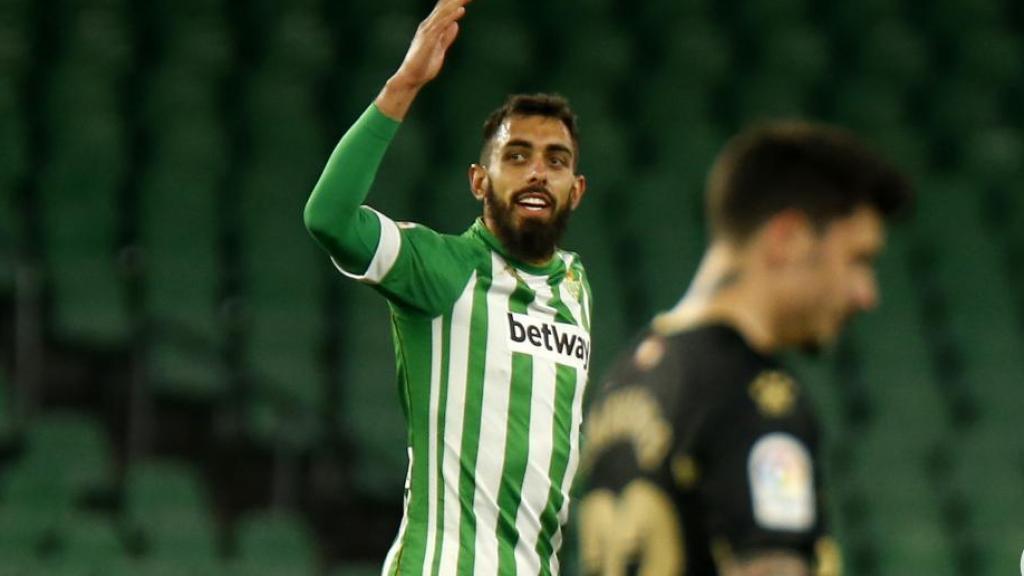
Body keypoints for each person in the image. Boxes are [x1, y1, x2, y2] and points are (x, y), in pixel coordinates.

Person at [303, 1, 592, 574]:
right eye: (517, 156)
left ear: (576, 190)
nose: (538, 171)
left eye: (555, 161)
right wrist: (404, 84)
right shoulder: (443, 268)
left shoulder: (576, 285)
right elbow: (329, 217)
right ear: (479, 181)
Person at [577, 122, 913, 576]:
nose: (866, 294)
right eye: (858, 259)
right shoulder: (755, 397)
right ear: (788, 238)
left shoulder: (628, 374)